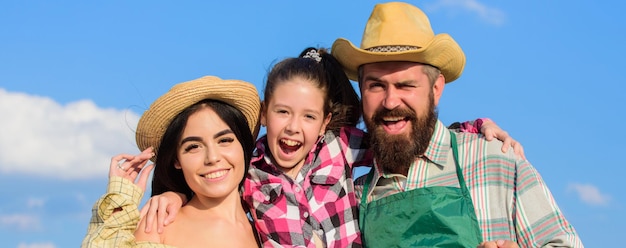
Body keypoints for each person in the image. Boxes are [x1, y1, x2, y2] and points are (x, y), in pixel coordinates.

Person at [139, 48, 524, 247]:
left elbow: (402, 136)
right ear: (264, 114)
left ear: (325, 122)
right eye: (282, 112)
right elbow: (213, 184)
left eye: (308, 116)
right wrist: (174, 193)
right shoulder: (249, 170)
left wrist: (473, 129)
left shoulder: (340, 148)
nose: (293, 127)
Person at [331, 2, 583, 247]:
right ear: (361, 91)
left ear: (436, 88)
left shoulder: (496, 161)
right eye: (376, 85)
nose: (390, 101)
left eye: (405, 85)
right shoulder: (351, 197)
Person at [81, 76, 261, 247]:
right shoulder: (158, 227)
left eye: (224, 141)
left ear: (243, 146)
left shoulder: (269, 232)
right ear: (176, 160)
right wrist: (119, 205)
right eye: (193, 147)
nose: (212, 158)